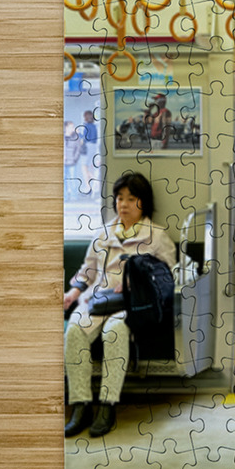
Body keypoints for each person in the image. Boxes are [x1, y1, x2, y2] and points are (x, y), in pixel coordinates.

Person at [63, 172, 176, 437]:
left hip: (131, 305)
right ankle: (80, 405)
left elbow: (167, 276)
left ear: (143, 202)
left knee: (114, 332)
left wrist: (136, 283)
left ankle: (108, 405)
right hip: (96, 300)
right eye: (119, 198)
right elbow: (87, 271)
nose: (123, 204)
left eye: (131, 198)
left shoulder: (157, 236)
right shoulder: (102, 234)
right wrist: (73, 292)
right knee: (75, 331)